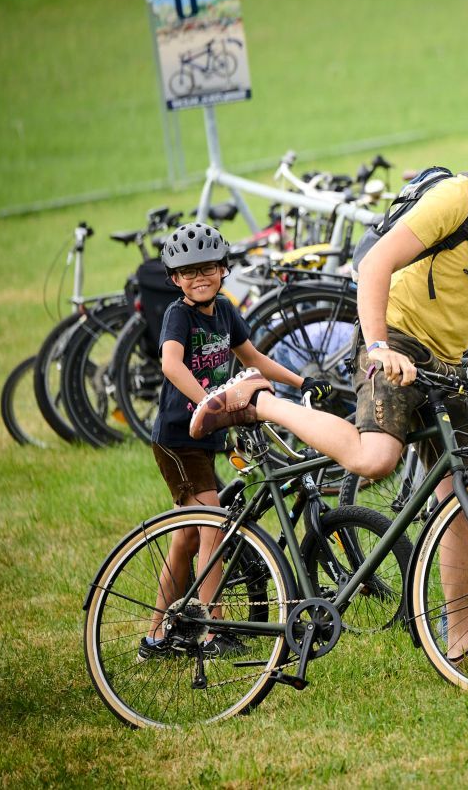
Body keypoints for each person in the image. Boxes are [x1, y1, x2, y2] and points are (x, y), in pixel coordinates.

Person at [189, 97, 468, 667]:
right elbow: (376, 264)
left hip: (447, 357)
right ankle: (261, 401)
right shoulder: (459, 199)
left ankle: (462, 644)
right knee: (376, 458)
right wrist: (380, 347)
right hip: (397, 338)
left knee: (466, 495)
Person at [141, 221, 320, 661]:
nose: (199, 278)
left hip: (207, 435)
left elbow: (253, 358)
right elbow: (170, 365)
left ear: (224, 269)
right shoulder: (177, 315)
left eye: (208, 268)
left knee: (184, 538)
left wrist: (305, 380)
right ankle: (211, 628)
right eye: (188, 272)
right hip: (177, 439)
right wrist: (209, 401)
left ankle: (156, 637)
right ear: (175, 279)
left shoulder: (224, 310)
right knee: (213, 526)